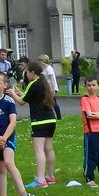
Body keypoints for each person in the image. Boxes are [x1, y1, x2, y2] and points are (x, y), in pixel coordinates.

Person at [15, 59, 58, 187]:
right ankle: (50, 176)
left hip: (39, 121)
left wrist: (12, 94)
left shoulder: (33, 83)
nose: (26, 75)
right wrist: (19, 93)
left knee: (39, 150)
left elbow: (22, 102)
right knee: (48, 149)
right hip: (51, 119)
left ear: (32, 72)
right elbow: (30, 97)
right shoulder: (44, 83)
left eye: (27, 72)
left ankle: (40, 180)